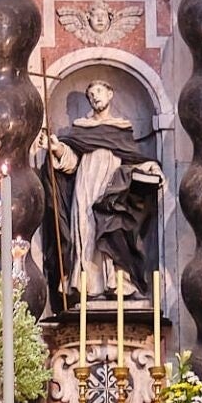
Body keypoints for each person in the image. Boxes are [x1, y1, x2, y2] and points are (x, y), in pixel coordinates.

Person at [37, 79, 164, 300]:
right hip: (86, 184)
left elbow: (131, 160)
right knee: (85, 231)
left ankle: (117, 282)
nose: (95, 96)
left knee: (112, 228)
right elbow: (72, 163)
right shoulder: (81, 130)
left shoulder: (121, 129)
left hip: (113, 187)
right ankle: (89, 286)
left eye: (99, 91)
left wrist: (150, 166)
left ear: (110, 94)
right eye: (91, 94)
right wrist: (57, 149)